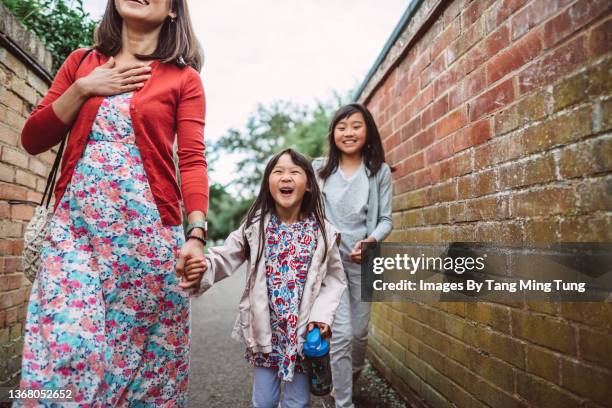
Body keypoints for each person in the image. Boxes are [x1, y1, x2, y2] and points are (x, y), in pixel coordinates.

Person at [16, 0, 207, 405]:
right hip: (75, 236)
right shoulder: (82, 63)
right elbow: (33, 139)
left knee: (141, 370)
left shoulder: (183, 78)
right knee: (71, 348)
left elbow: (191, 159)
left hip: (149, 244)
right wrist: (84, 88)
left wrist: (196, 234)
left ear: (174, 10)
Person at [180, 149, 347, 408]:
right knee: (264, 400)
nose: (286, 177)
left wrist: (321, 317)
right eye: (278, 172)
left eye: (294, 172)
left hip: (302, 336)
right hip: (265, 336)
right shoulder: (255, 227)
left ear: (310, 186)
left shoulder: (322, 232)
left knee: (297, 402)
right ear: (268, 184)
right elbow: (224, 256)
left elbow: (335, 279)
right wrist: (203, 267)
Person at [312, 103, 394, 408]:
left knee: (359, 335)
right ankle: (344, 402)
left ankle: (347, 379)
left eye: (356, 126)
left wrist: (371, 241)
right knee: (343, 335)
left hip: (363, 263)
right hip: (330, 267)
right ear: (333, 133)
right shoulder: (318, 170)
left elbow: (386, 219)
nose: (348, 133)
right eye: (342, 127)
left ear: (368, 131)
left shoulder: (379, 172)